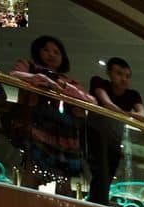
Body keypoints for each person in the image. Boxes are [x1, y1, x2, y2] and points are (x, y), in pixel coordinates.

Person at [11, 35, 95, 192]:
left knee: (64, 181)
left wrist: (71, 91)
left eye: (57, 52)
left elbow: (92, 101)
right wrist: (38, 78)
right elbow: (14, 75)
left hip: (65, 135)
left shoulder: (68, 80)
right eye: (46, 50)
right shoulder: (29, 66)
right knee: (32, 173)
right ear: (38, 51)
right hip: (35, 127)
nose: (51, 54)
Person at [85, 57, 144, 207]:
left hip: (114, 140)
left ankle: (99, 202)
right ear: (109, 73)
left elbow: (143, 116)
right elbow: (107, 104)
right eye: (119, 74)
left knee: (108, 173)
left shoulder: (132, 95)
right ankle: (98, 203)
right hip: (95, 133)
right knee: (101, 171)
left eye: (127, 76)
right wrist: (128, 114)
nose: (124, 79)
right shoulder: (99, 82)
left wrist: (123, 113)